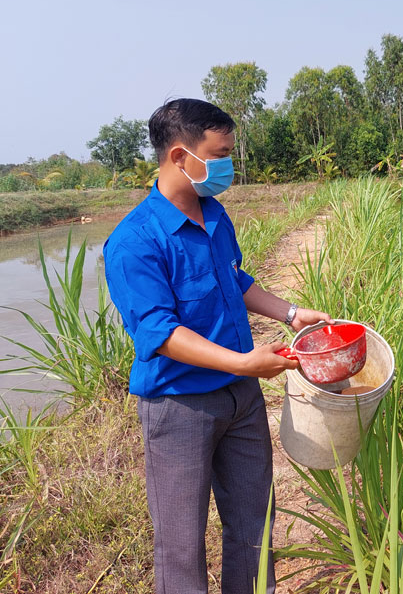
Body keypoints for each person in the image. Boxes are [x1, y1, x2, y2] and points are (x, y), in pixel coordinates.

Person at [103, 98, 330, 594]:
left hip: (241, 401)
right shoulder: (134, 243)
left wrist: (291, 314)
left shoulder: (215, 214)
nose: (227, 165)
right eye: (221, 153)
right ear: (181, 156)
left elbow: (234, 279)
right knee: (182, 545)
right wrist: (247, 362)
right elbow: (159, 334)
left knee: (254, 529)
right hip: (180, 406)